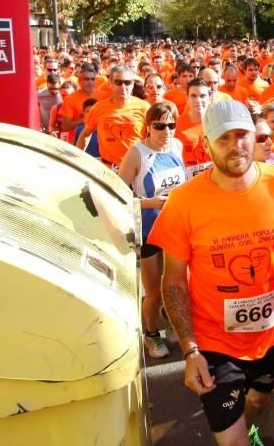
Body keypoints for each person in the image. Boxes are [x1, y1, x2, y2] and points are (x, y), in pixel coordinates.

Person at [149, 100, 274, 446]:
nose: (236, 146)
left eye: (243, 136)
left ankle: (250, 425)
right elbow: (174, 279)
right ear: (206, 144)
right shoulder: (184, 202)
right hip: (215, 344)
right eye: (224, 139)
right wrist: (191, 351)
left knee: (257, 399)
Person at [118, 101, 186, 359]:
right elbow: (118, 195)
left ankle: (172, 321)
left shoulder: (176, 146)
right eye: (160, 126)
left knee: (178, 284)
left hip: (175, 226)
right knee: (154, 290)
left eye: (171, 125)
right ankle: (150, 333)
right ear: (148, 126)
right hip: (148, 229)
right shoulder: (137, 153)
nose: (166, 131)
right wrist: (149, 203)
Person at [76, 67, 149, 170]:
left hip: (137, 168)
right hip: (109, 168)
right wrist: (79, 159)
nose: (123, 87)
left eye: (127, 82)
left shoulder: (144, 107)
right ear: (110, 83)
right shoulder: (98, 107)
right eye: (118, 82)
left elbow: (153, 138)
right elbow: (85, 134)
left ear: (133, 84)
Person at [176, 77, 215, 179]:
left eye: (202, 96)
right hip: (187, 183)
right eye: (193, 96)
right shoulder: (175, 125)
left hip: (214, 179)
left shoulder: (218, 122)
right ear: (187, 98)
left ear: (210, 98)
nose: (198, 100)